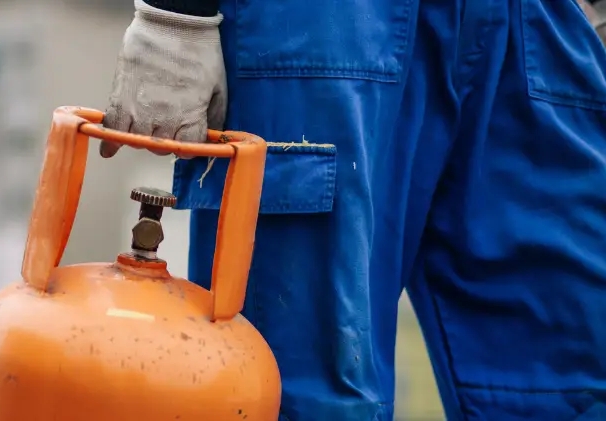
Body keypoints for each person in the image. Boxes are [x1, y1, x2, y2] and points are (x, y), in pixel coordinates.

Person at [99, 0, 606, 419]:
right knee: (300, 391)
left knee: (569, 383)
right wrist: (177, 14)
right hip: (321, 24)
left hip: (538, 23)